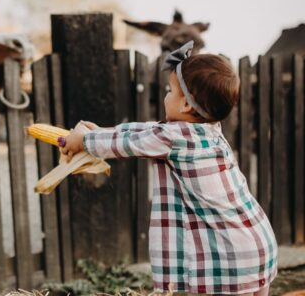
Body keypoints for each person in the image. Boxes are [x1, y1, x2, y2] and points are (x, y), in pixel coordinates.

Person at [59, 41, 278, 296]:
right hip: (257, 244)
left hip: (230, 256)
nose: (165, 95)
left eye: (169, 90)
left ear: (186, 104)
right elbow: (148, 131)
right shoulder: (209, 131)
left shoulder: (174, 138)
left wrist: (83, 141)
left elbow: (131, 142)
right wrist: (102, 133)